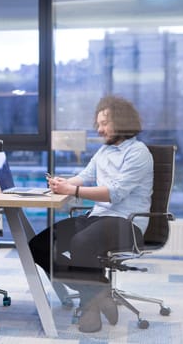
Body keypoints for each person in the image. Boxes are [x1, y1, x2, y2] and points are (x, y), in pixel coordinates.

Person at [29, 95, 153, 333]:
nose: (99, 129)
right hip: (98, 217)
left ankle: (90, 308)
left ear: (122, 122)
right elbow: (85, 176)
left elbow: (114, 194)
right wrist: (63, 183)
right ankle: (98, 291)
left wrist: (73, 190)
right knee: (39, 245)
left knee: (81, 242)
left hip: (127, 223)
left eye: (104, 123)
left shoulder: (138, 152)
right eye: (98, 124)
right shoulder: (105, 151)